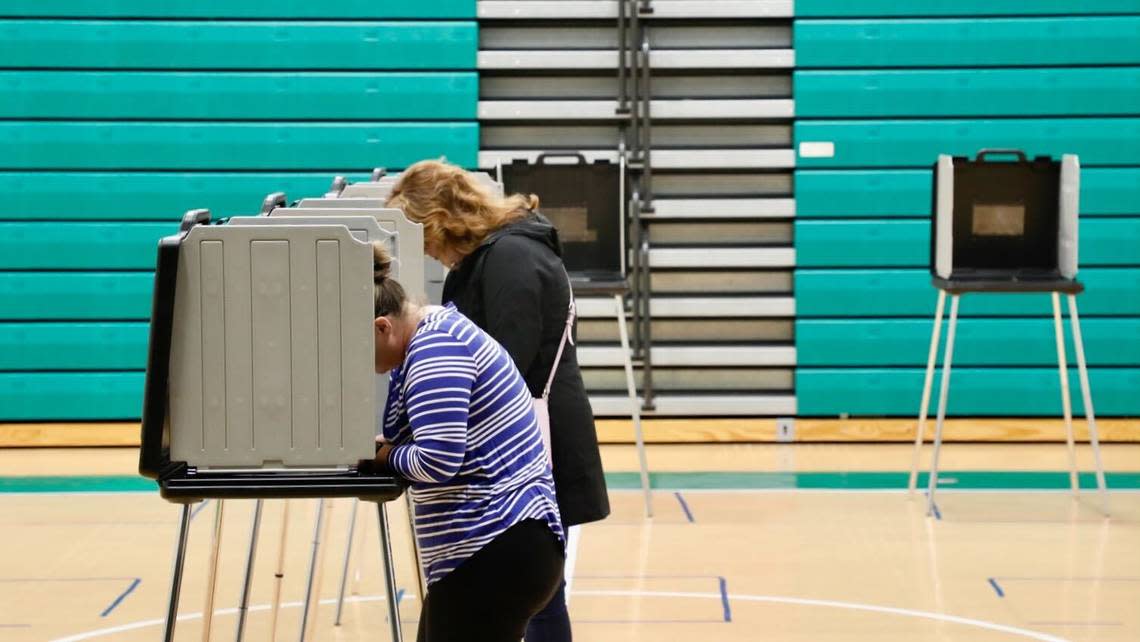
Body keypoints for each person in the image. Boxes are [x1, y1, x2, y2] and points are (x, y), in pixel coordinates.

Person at [387, 160, 610, 642]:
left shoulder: (511, 257)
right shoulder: (498, 254)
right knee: (537, 599)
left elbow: (508, 361)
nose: (428, 253)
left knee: (543, 602)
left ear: (440, 221)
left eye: (424, 239)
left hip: (537, 439)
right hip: (528, 438)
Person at [369, 242, 565, 642]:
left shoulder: (436, 349)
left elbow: (438, 460)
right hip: (498, 545)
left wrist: (386, 456)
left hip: (494, 543)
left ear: (382, 327)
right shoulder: (433, 333)